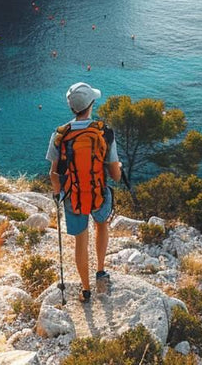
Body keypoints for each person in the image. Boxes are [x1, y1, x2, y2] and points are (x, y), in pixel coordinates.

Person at [47, 82, 123, 303]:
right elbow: (116, 175)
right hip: (98, 193)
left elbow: (54, 173)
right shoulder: (104, 132)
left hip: (73, 196)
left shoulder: (60, 135)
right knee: (101, 225)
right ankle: (101, 272)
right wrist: (118, 170)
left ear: (72, 108)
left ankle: (86, 289)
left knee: (81, 241)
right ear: (91, 104)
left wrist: (57, 193)